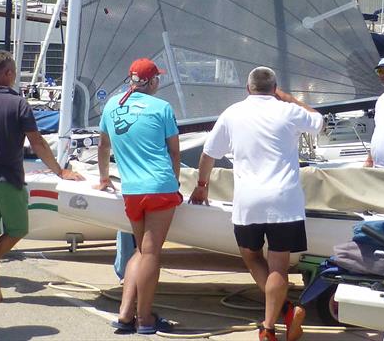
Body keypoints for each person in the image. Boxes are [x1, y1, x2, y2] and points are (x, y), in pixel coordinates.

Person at [188, 67, 324, 341]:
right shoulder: (288, 111)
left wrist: (202, 187)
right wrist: (290, 98)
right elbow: (318, 119)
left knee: (251, 257)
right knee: (279, 267)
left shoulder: (233, 113)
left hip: (248, 201)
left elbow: (208, 155)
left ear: (248, 88)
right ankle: (270, 326)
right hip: (285, 201)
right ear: (275, 89)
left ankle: (283, 313)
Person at [0, 51, 83, 303]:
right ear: (8, 74)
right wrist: (60, 171)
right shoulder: (18, 104)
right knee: (17, 229)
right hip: (8, 177)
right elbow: (37, 142)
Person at [95, 58, 181, 335]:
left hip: (131, 190)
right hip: (159, 187)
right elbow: (174, 153)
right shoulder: (162, 107)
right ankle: (144, 319)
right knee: (151, 253)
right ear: (152, 81)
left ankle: (124, 314)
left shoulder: (111, 105)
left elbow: (103, 146)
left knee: (140, 251)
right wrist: (176, 183)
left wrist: (104, 178)